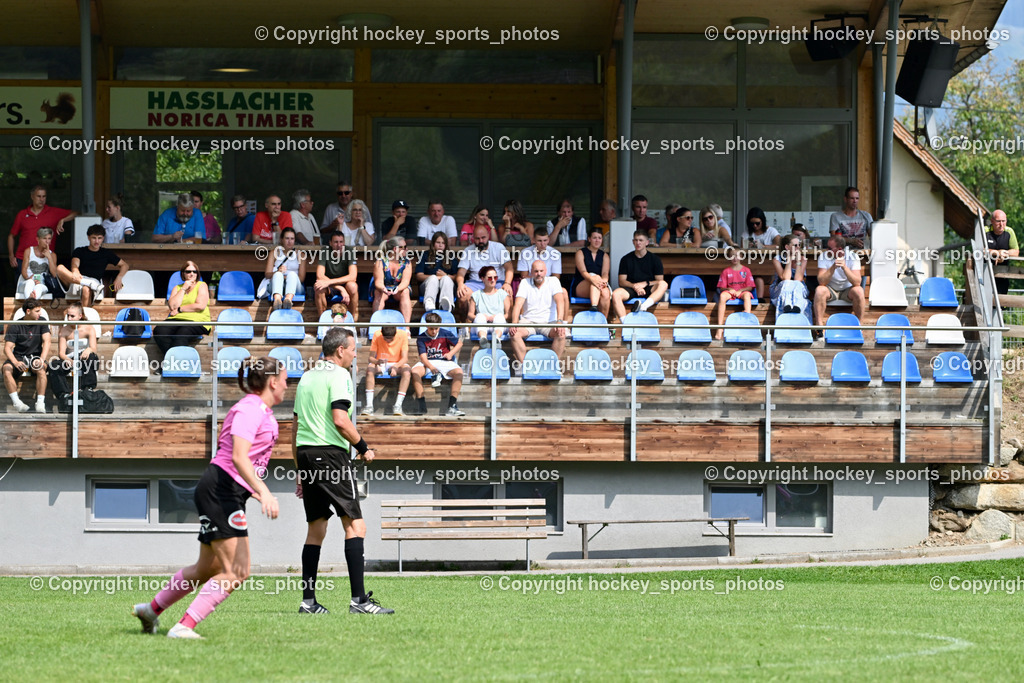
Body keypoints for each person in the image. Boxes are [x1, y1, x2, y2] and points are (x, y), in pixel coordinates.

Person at [131, 357, 285, 638]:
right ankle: (183, 628)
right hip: (221, 491)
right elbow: (238, 457)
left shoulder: (257, 409)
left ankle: (151, 610)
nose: (288, 386)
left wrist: (253, 490)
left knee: (206, 568)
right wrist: (264, 492)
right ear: (273, 382)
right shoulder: (251, 409)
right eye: (285, 379)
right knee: (237, 571)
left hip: (222, 490)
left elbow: (240, 460)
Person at [293, 328, 393, 615]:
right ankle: (359, 602)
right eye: (352, 350)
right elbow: (340, 420)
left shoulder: (307, 377)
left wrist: (300, 470)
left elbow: (295, 428)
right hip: (330, 455)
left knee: (316, 529)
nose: (354, 355)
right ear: (340, 350)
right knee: (355, 526)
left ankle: (308, 602)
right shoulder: (340, 376)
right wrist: (363, 447)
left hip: (306, 454)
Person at [509, 260, 568, 369]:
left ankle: (553, 366)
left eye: (541, 271)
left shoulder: (554, 281)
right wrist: (514, 322)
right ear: (531, 272)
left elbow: (560, 301)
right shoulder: (524, 283)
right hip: (528, 321)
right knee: (513, 333)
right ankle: (525, 367)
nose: (539, 273)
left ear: (546, 271)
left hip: (548, 322)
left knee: (561, 332)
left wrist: (559, 321)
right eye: (536, 271)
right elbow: (517, 305)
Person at [56, 224, 129, 308]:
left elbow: (125, 265)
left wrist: (119, 278)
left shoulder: (106, 253)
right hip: (78, 280)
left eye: (99, 238)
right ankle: (87, 283)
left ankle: (86, 317)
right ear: (88, 237)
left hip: (94, 283)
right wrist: (75, 271)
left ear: (103, 238)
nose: (97, 241)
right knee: (59, 268)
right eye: (94, 238)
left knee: (86, 289)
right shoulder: (80, 250)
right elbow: (75, 264)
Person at [8, 185, 76, 269]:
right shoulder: (22, 214)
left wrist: (63, 220)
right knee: (23, 282)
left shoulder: (53, 212)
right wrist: (11, 256)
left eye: (44, 196)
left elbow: (76, 213)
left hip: (45, 259)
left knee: (45, 282)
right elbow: (11, 236)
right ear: (32, 196)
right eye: (39, 196)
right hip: (23, 258)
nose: (42, 199)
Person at [155, 261, 211, 361]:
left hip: (197, 321)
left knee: (181, 334)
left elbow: (200, 305)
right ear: (183, 274)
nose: (192, 274)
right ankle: (174, 363)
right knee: (159, 331)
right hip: (177, 319)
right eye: (188, 271)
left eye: (195, 271)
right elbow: (172, 306)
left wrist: (180, 309)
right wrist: (184, 288)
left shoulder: (202, 285)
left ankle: (168, 363)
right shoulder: (177, 288)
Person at [410, 312, 464, 417]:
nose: (434, 331)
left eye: (436, 328)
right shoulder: (421, 338)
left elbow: (460, 343)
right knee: (415, 372)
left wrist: (451, 353)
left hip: (444, 361)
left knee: (459, 372)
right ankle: (421, 404)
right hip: (428, 362)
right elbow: (423, 357)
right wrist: (432, 368)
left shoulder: (445, 333)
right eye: (431, 329)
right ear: (426, 326)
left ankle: (452, 406)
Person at [456, 225, 514, 320]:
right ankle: (465, 328)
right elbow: (461, 272)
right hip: (475, 283)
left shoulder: (498, 247)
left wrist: (507, 284)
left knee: (508, 295)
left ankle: (508, 330)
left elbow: (509, 268)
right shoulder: (468, 250)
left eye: (483, 237)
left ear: (488, 235)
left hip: (496, 282)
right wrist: (460, 284)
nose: (481, 241)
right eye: (477, 238)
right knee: (462, 296)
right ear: (473, 238)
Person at [3, 298, 50, 413]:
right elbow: (7, 348)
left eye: (40, 311)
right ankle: (17, 403)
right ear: (28, 311)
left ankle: (40, 403)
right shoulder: (15, 325)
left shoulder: (42, 321)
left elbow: (47, 342)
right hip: (19, 356)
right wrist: (15, 362)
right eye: (37, 311)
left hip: (36, 356)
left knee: (41, 369)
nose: (40, 313)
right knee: (6, 369)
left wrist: (41, 359)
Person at [611, 231, 668, 323]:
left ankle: (643, 307)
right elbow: (621, 281)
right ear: (633, 242)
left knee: (663, 284)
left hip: (649, 288)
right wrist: (635, 286)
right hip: (631, 288)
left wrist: (645, 283)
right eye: (636, 240)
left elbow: (659, 280)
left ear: (647, 242)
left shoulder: (655, 259)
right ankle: (625, 324)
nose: (638, 243)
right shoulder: (626, 259)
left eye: (641, 240)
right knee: (615, 294)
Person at [814, 235, 865, 326]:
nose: (827, 250)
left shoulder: (853, 256)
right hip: (831, 290)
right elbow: (821, 281)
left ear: (839, 248)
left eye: (830, 248)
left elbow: (857, 282)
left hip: (847, 291)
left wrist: (845, 267)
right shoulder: (823, 256)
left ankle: (859, 326)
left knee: (859, 290)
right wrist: (833, 267)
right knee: (819, 290)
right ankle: (819, 327)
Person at [361, 325, 411, 417]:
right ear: (382, 334)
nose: (388, 341)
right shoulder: (377, 334)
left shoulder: (403, 334)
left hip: (398, 363)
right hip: (381, 362)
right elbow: (370, 358)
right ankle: (369, 406)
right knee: (370, 370)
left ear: (395, 334)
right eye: (386, 338)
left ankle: (398, 405)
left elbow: (405, 359)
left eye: (391, 339)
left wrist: (395, 366)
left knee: (407, 372)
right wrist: (377, 361)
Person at [314, 231, 359, 319]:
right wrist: (340, 288)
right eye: (336, 242)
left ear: (344, 242)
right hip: (330, 287)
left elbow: (353, 276)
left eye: (341, 242)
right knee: (318, 287)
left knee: (353, 286)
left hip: (345, 284)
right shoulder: (325, 251)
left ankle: (351, 320)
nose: (339, 245)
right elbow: (319, 275)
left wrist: (338, 285)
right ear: (330, 243)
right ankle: (323, 321)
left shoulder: (349, 251)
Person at [262, 227, 307, 312]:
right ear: (281, 239)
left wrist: (286, 277)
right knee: (278, 274)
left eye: (292, 239)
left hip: (295, 286)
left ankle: (288, 300)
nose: (289, 241)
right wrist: (278, 271)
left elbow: (301, 278)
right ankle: (277, 300)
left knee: (292, 274)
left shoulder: (300, 254)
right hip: (277, 285)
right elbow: (267, 274)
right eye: (287, 238)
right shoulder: (275, 252)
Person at [713, 250, 755, 340]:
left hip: (743, 292)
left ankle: (747, 320)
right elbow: (721, 288)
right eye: (732, 256)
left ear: (741, 256)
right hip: (730, 292)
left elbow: (750, 287)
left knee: (747, 296)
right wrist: (729, 289)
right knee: (722, 296)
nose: (735, 258)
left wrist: (741, 290)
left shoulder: (746, 270)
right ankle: (720, 327)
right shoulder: (726, 271)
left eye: (737, 255)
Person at [770, 234, 811, 323]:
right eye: (795, 245)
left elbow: (798, 278)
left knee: (797, 283)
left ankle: (797, 307)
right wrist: (789, 260)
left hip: (797, 288)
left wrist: (798, 261)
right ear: (787, 247)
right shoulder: (777, 259)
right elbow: (785, 277)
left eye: (799, 245)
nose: (798, 247)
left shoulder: (803, 259)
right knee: (787, 282)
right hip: (780, 288)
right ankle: (787, 304)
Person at [57, 302, 99, 387]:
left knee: (91, 358)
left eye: (72, 316)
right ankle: (63, 394)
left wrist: (88, 350)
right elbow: (61, 353)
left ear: (80, 316)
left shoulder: (89, 328)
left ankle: (88, 389)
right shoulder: (63, 330)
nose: (69, 319)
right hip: (70, 358)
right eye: (68, 316)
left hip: (84, 357)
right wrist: (67, 359)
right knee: (54, 366)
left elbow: (94, 348)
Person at [372, 236, 413, 322]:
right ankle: (375, 325)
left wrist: (397, 289)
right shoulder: (380, 261)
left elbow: (406, 281)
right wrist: (383, 289)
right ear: (395, 249)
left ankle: (407, 328)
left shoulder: (407, 262)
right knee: (378, 293)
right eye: (404, 247)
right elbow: (378, 282)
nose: (407, 249)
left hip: (399, 289)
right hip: (384, 288)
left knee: (405, 292)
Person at [416, 231, 458, 312]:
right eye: (438, 242)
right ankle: (429, 303)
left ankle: (446, 304)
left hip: (447, 288)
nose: (440, 245)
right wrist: (436, 277)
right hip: (427, 288)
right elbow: (419, 276)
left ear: (446, 245)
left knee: (446, 279)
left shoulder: (451, 257)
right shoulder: (425, 255)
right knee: (433, 278)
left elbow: (457, 277)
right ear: (433, 243)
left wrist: (445, 275)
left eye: (443, 243)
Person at [574, 228, 611, 319]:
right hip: (582, 284)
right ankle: (594, 306)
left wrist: (604, 281)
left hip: (599, 284)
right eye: (594, 238)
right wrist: (593, 279)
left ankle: (603, 322)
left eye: (599, 238)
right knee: (596, 278)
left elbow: (605, 273)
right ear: (589, 239)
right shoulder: (580, 252)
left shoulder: (604, 255)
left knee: (606, 293)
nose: (597, 240)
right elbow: (583, 272)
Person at [468, 265, 510, 341]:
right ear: (482, 279)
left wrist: (495, 317)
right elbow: (470, 314)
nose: (493, 280)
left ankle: (497, 339)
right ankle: (483, 338)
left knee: (500, 317)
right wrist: (484, 317)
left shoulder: (503, 294)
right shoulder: (476, 295)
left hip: (499, 324)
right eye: (490, 278)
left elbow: (508, 314)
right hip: (481, 325)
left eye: (495, 277)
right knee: (480, 316)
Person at [746, 206, 780, 298]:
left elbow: (780, 246)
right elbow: (742, 250)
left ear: (763, 221)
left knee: (759, 276)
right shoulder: (747, 233)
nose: (755, 226)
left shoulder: (771, 231)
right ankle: (758, 300)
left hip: (768, 267)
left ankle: (759, 300)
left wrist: (764, 247)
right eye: (752, 223)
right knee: (756, 276)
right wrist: (748, 247)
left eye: (757, 223)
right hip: (751, 264)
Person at [19, 227, 62, 300]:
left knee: (39, 287)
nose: (47, 241)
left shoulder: (52, 255)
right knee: (30, 283)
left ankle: (30, 304)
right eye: (44, 238)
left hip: (42, 283)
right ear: (38, 239)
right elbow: (23, 270)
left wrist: (49, 258)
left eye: (49, 238)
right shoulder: (29, 251)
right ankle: (31, 304)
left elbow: (54, 274)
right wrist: (29, 278)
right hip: (26, 281)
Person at [986, 210, 1018, 295]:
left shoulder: (1009, 232)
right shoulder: (985, 231)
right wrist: (995, 252)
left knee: (1001, 304)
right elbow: (979, 249)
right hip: (985, 274)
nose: (1001, 224)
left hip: (1003, 274)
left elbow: (1016, 251)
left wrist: (1004, 253)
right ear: (992, 221)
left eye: (1003, 221)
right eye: (998, 221)